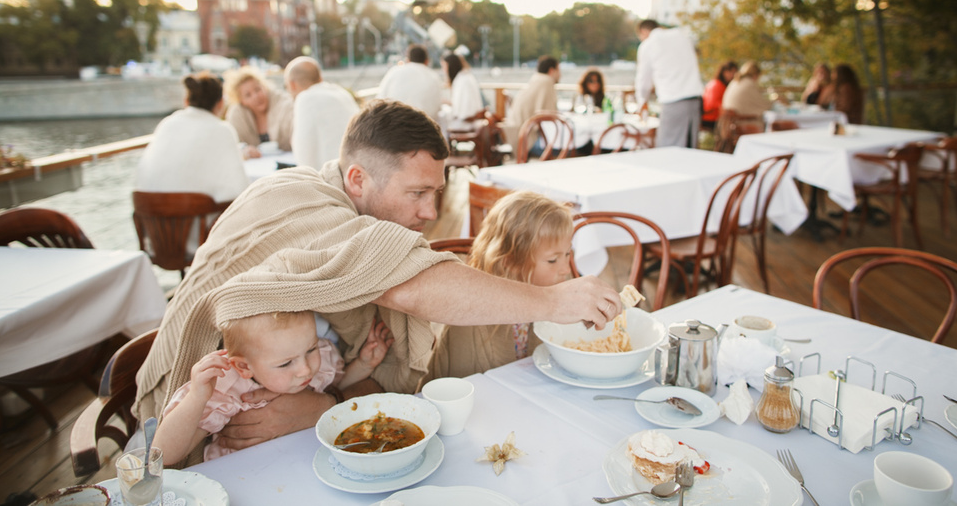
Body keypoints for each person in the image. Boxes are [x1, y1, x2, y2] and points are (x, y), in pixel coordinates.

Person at [134, 99, 620, 466]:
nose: (430, 214)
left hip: (294, 415)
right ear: (358, 179)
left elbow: (358, 367)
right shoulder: (310, 210)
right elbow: (412, 285)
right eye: (417, 193)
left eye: (437, 194)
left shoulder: (349, 216)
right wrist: (553, 300)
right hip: (192, 438)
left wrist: (320, 406)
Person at [153, 311, 392, 465]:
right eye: (286, 363)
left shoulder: (311, 357)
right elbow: (163, 454)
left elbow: (336, 387)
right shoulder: (227, 387)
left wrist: (363, 364)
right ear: (244, 366)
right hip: (245, 478)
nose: (305, 370)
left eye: (311, 350)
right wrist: (197, 397)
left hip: (307, 464)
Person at [427, 191, 574, 380]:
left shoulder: (550, 298)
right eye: (553, 260)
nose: (565, 268)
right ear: (510, 262)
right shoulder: (471, 322)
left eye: (568, 254)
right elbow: (457, 387)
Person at [135, 72, 249, 257]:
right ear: (221, 103)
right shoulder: (221, 130)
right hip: (201, 243)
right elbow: (239, 192)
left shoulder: (167, 124)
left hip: (157, 238)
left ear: (186, 100)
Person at [634, 20, 704, 148]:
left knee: (667, 149)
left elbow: (643, 81)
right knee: (690, 147)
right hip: (695, 100)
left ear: (643, 32)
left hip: (673, 101)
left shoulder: (648, 45)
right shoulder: (681, 36)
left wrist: (642, 102)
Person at [284, 56, 360, 170]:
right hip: (358, 167)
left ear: (292, 84)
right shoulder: (341, 93)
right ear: (320, 78)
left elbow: (303, 153)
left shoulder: (305, 99)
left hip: (336, 175)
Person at [223, 66, 294, 157]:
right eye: (248, 95)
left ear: (264, 87)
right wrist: (244, 150)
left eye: (258, 89)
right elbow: (232, 145)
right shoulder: (238, 116)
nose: (256, 97)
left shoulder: (284, 104)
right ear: (242, 101)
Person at [376, 44, 443, 121]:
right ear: (427, 61)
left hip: (394, 124)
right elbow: (437, 107)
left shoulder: (394, 72)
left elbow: (379, 100)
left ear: (408, 60)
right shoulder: (434, 76)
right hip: (424, 126)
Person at [503, 55, 560, 145]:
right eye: (559, 70)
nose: (560, 74)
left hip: (515, 134)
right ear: (551, 71)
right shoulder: (546, 82)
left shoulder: (536, 79)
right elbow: (552, 117)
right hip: (527, 140)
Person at [721, 61, 772, 129]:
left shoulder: (735, 81)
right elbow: (762, 105)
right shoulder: (749, 83)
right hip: (742, 122)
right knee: (770, 121)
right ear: (755, 75)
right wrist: (775, 102)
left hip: (730, 124)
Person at [442, 52, 485, 124]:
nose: (443, 70)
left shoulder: (460, 80)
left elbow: (458, 110)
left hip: (465, 122)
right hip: (474, 120)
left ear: (450, 66)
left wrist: (444, 102)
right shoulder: (466, 76)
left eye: (444, 66)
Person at [701, 61, 738, 129]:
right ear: (723, 72)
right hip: (710, 118)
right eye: (730, 72)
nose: (732, 75)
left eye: (734, 72)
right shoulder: (717, 85)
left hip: (709, 117)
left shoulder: (715, 83)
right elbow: (713, 104)